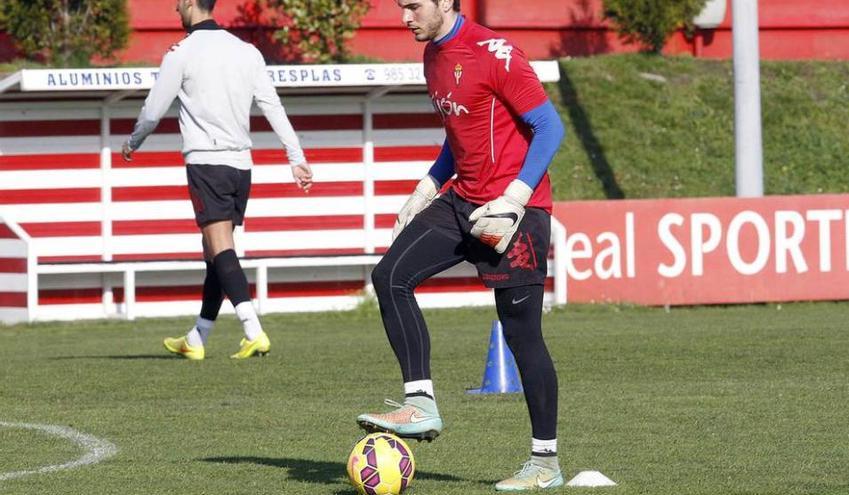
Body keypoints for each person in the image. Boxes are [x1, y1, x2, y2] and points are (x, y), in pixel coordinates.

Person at [356, 0, 566, 490]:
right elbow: (459, 133)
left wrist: (516, 197)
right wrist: (428, 186)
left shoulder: (496, 52)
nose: (405, 17)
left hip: (517, 212)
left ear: (446, 1)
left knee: (522, 337)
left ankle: (545, 463)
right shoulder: (432, 53)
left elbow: (549, 127)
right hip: (460, 202)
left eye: (413, 6)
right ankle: (421, 402)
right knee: (390, 275)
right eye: (401, 6)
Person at [122, 0, 312, 360]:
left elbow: (153, 108)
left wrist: (133, 142)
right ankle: (198, 337)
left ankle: (253, 331)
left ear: (192, 3)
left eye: (179, 4)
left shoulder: (182, 52)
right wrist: (296, 157)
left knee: (221, 247)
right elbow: (272, 105)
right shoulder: (247, 51)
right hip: (241, 166)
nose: (176, 10)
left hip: (207, 163)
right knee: (214, 252)